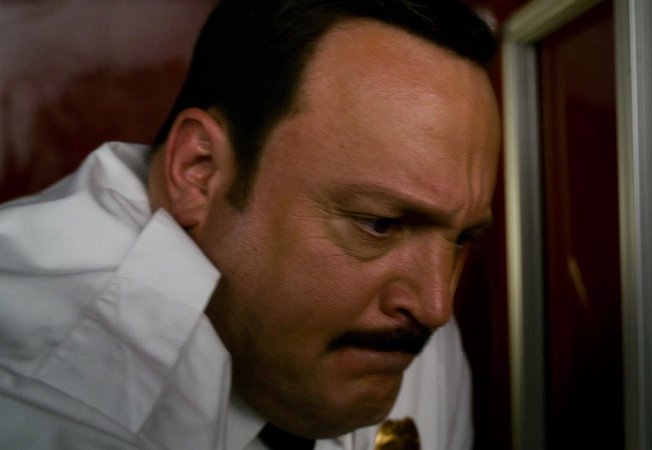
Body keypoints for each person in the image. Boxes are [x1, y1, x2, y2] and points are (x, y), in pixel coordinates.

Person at [0, 0, 500, 448]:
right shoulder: (43, 404)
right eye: (380, 224)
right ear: (200, 171)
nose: (436, 307)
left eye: (462, 239)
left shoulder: (397, 332)